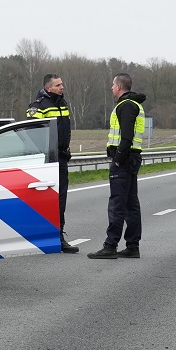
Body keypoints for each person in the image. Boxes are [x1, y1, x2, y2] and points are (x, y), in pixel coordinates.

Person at [87, 73, 147, 259]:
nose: (111, 88)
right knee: (130, 204)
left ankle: (110, 246)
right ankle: (132, 246)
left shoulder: (126, 105)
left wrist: (118, 158)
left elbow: (126, 136)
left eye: (113, 85)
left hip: (124, 161)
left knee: (117, 204)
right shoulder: (134, 104)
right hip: (132, 159)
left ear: (119, 86)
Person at [27, 74, 78, 253]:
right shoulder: (38, 106)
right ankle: (41, 236)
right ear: (48, 88)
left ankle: (58, 236)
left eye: (62, 84)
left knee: (60, 199)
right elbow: (31, 135)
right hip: (47, 160)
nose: (62, 87)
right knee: (44, 199)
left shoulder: (62, 104)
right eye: (58, 85)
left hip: (62, 158)